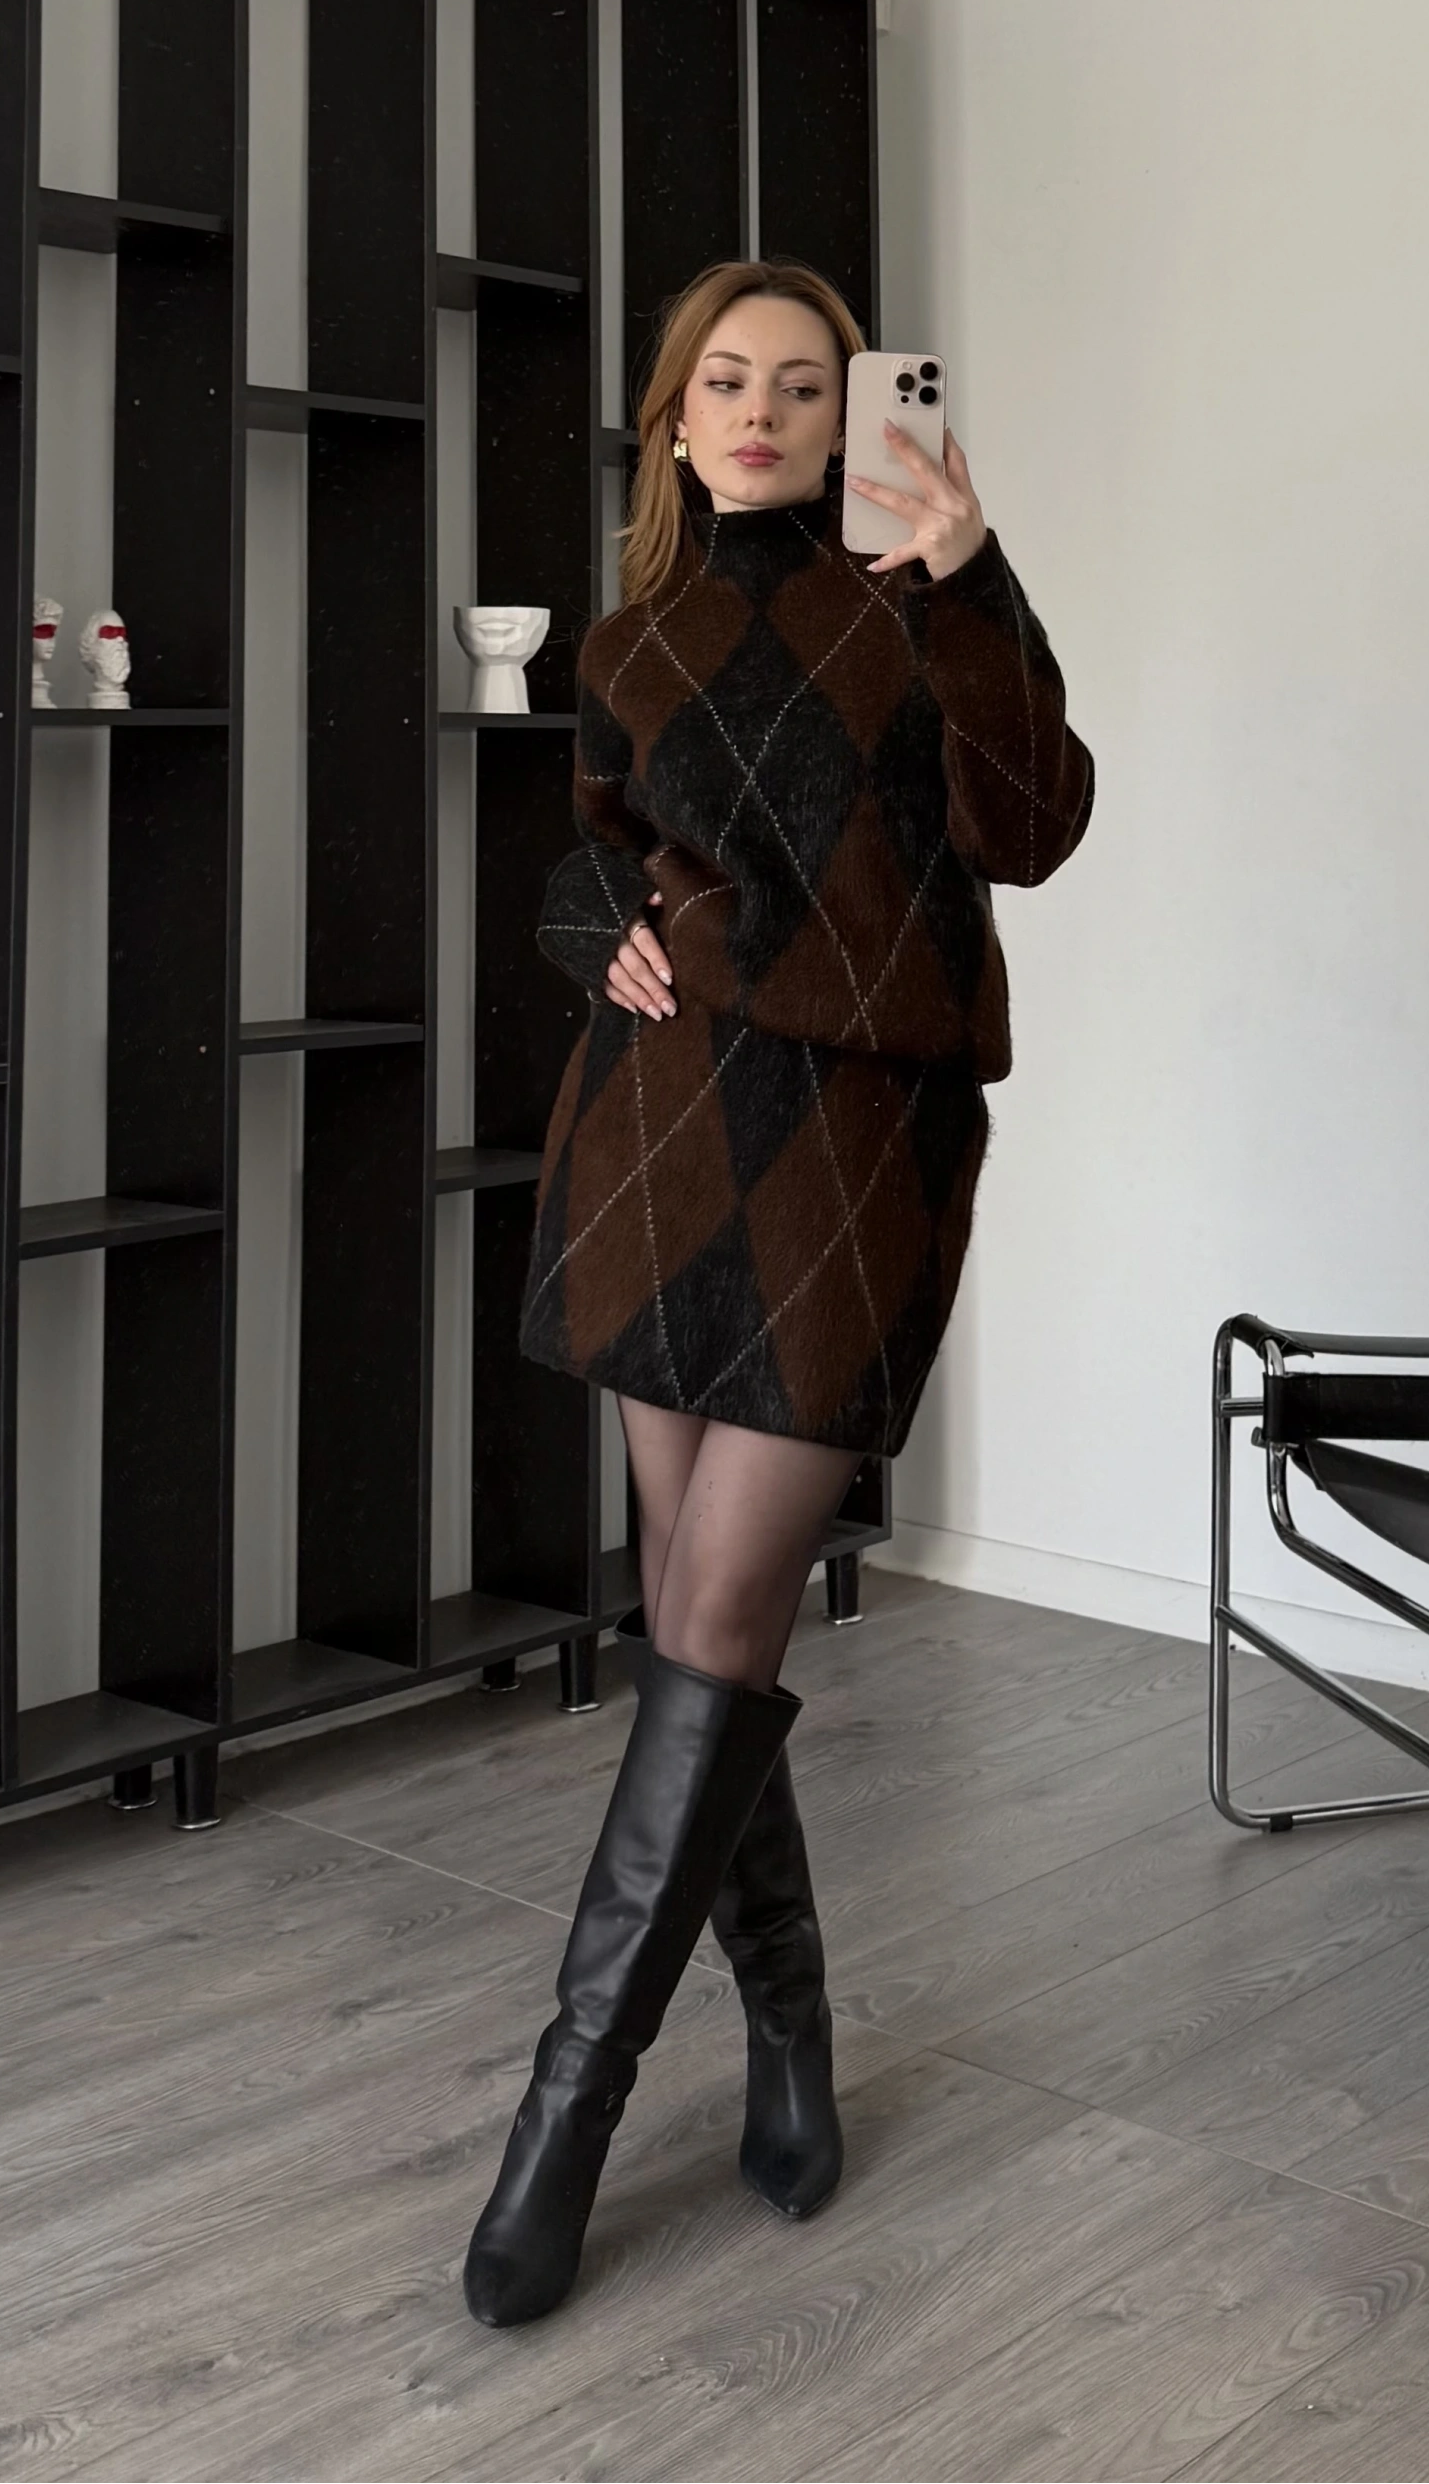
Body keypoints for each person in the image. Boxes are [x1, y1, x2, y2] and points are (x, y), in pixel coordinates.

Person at [463, 259, 1094, 2326]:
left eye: (803, 385)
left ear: (849, 418)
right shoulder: (629, 638)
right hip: (657, 1134)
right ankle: (794, 2032)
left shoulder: (917, 604)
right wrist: (594, 924)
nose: (761, 410)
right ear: (674, 415)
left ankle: (562, 2122)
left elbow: (1034, 826)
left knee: (721, 1619)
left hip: (857, 1145)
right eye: (725, 381)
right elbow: (599, 850)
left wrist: (977, 575)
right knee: (692, 1631)